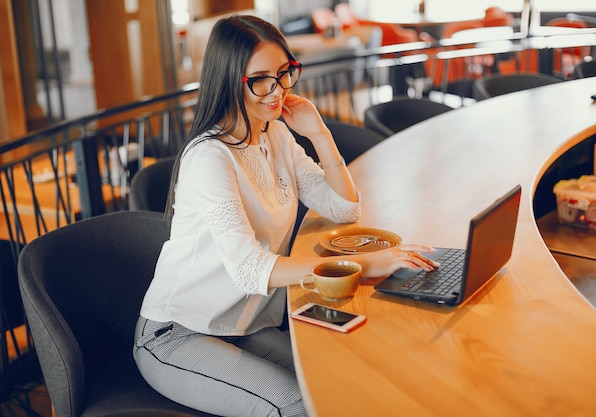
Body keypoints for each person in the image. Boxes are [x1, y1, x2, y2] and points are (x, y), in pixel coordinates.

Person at [133, 14, 439, 417]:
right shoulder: (210, 157)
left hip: (245, 325)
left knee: (341, 379)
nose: (277, 91)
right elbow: (248, 270)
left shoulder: (273, 134)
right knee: (295, 406)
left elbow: (344, 208)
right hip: (177, 334)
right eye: (261, 79)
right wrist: (361, 264)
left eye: (284, 73)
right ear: (228, 80)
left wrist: (319, 133)